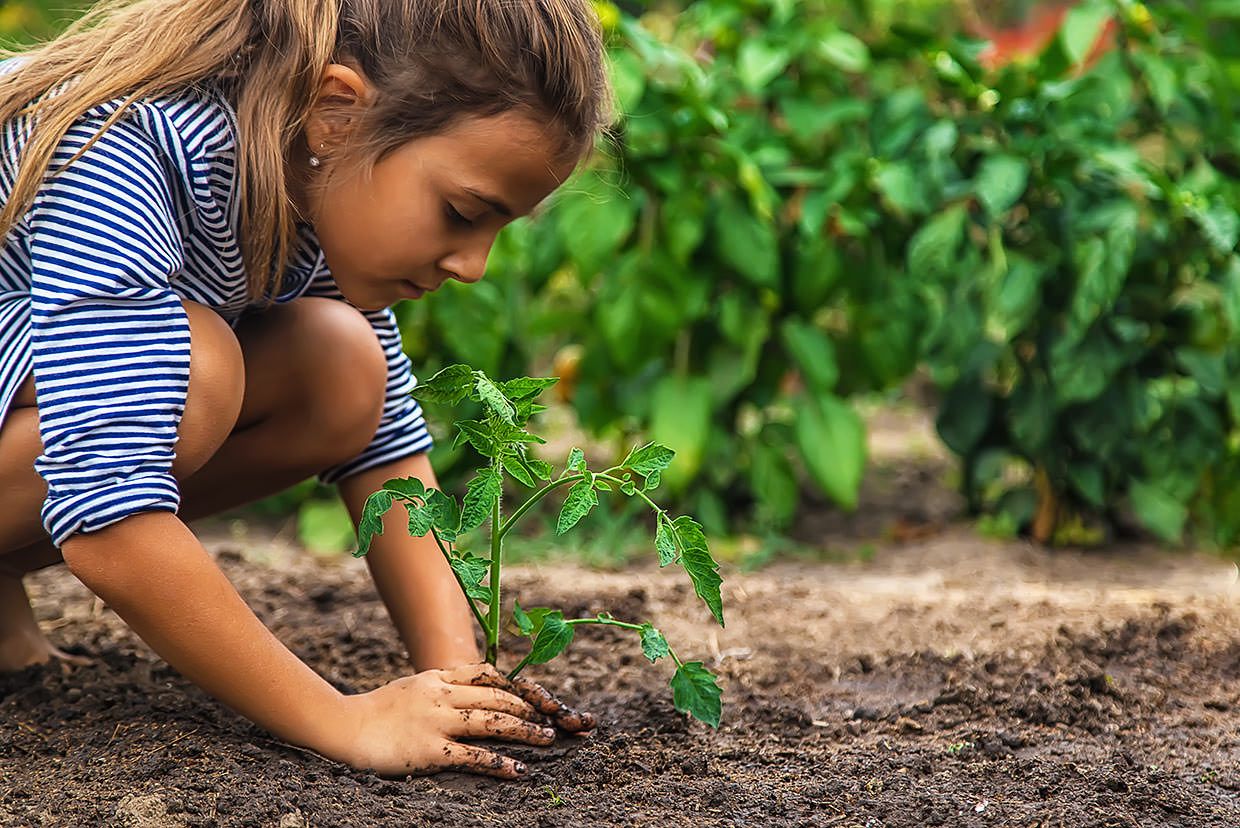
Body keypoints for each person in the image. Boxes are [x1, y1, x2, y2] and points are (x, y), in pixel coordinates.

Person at [0, 0, 611, 779]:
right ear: (338, 112)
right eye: (462, 212)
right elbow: (107, 511)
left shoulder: (297, 168)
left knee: (341, 366)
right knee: (195, 371)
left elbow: (385, 447)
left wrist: (460, 686)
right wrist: (343, 719)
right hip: (105, 464)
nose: (473, 265)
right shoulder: (125, 151)